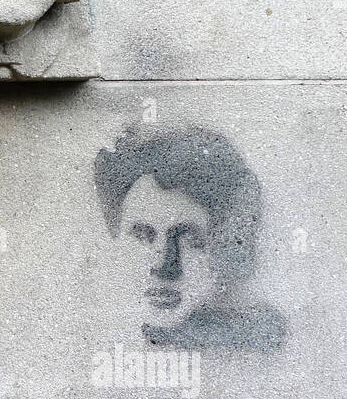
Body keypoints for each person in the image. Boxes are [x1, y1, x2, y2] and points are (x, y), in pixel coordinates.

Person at [94, 125, 286, 352]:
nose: (164, 267)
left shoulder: (252, 353)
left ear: (224, 247)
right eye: (142, 236)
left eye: (189, 240)